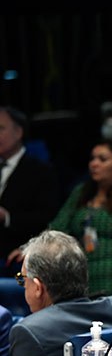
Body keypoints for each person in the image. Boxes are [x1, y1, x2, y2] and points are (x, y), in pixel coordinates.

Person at [8, 139, 112, 295]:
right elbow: (58, 226)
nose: (94, 164)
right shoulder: (82, 192)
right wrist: (32, 250)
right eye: (92, 159)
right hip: (84, 274)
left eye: (103, 159)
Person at [0, 106, 61, 272]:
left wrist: (7, 218)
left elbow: (47, 218)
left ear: (18, 132)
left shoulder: (40, 171)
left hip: (18, 252)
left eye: (1, 128)